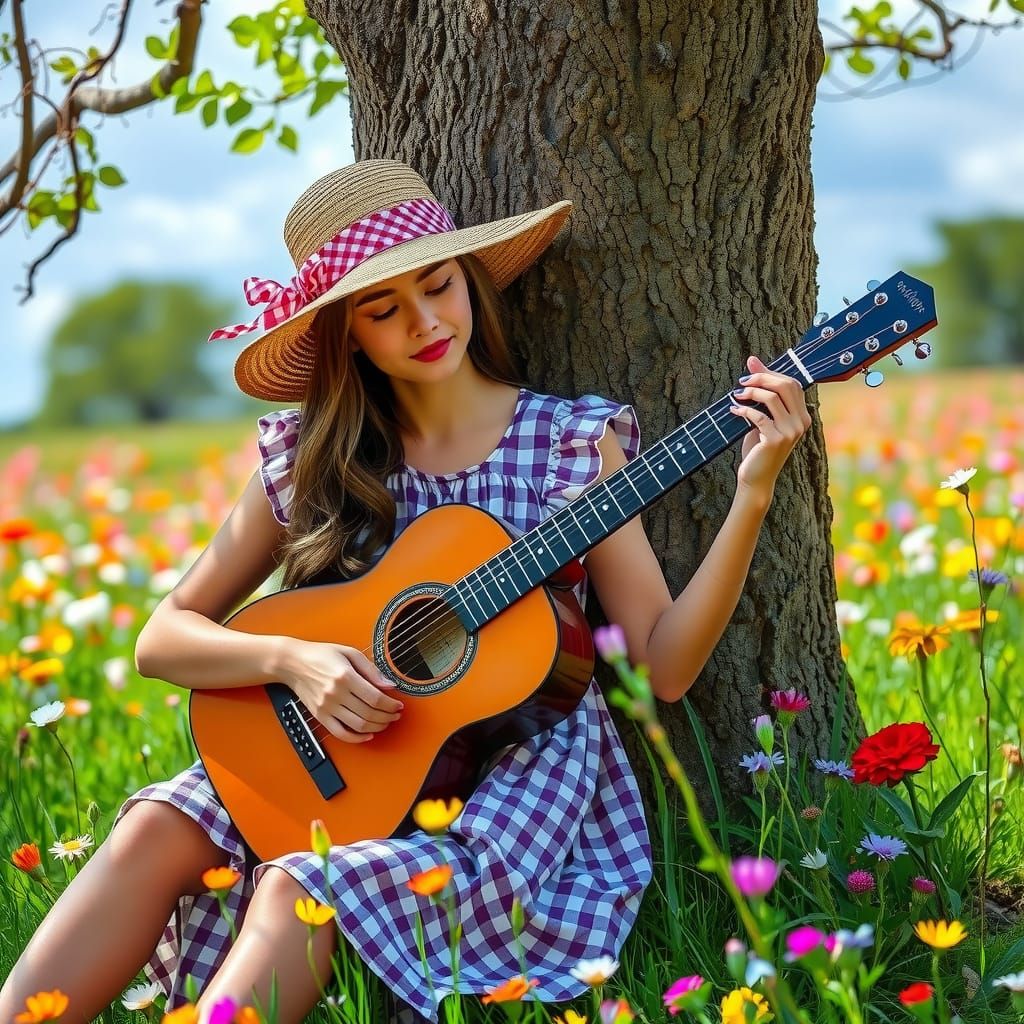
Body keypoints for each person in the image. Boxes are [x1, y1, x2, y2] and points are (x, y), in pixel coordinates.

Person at [0, 159, 811, 1024]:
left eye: (438, 286)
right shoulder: (314, 456)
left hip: (510, 787)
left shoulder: (569, 443)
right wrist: (295, 661)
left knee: (299, 888)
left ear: (469, 281)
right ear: (347, 334)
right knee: (151, 826)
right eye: (383, 309)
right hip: (330, 758)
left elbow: (664, 668)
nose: (424, 322)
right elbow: (161, 639)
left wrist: (752, 494)